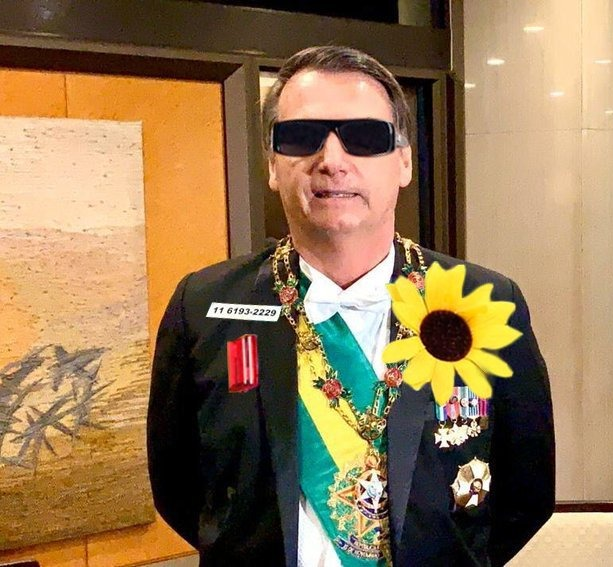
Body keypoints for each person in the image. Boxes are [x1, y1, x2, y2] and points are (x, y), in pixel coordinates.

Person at [147, 45, 555, 567]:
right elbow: (178, 487)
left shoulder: (489, 302)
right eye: (302, 137)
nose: (332, 160)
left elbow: (527, 491)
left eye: (364, 137)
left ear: (403, 162)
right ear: (272, 165)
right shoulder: (204, 306)